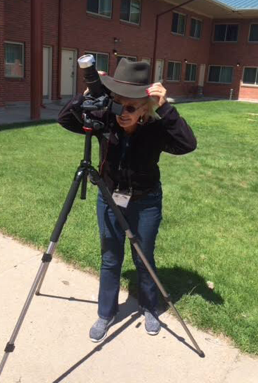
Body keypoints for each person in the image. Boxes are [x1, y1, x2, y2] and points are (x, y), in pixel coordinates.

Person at [57, 58, 197, 342]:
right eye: (118, 103)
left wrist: (166, 108)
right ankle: (105, 313)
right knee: (110, 258)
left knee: (143, 258)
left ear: (146, 108)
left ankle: (149, 307)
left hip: (146, 202)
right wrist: (85, 96)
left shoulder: (156, 129)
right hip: (109, 199)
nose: (123, 112)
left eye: (131, 107)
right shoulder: (105, 121)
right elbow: (65, 119)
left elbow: (187, 144)